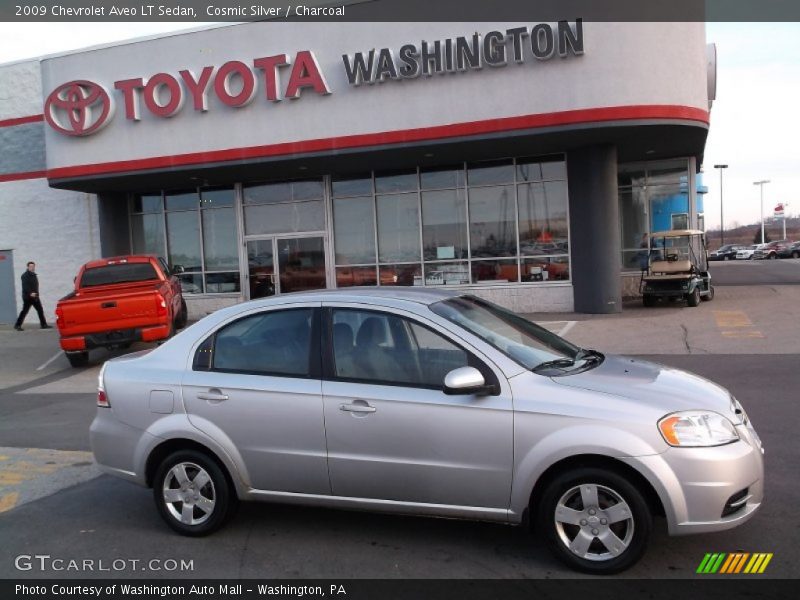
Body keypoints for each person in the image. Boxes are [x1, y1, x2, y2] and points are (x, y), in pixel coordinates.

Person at [14, 261, 51, 331]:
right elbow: (25, 286)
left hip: (35, 297)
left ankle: (43, 324)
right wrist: (30, 293)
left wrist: (36, 294)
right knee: (24, 311)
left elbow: (35, 285)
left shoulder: (34, 275)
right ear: (28, 267)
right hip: (28, 297)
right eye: (31, 266)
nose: (32, 268)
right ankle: (17, 325)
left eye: (33, 266)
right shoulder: (24, 275)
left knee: (40, 310)